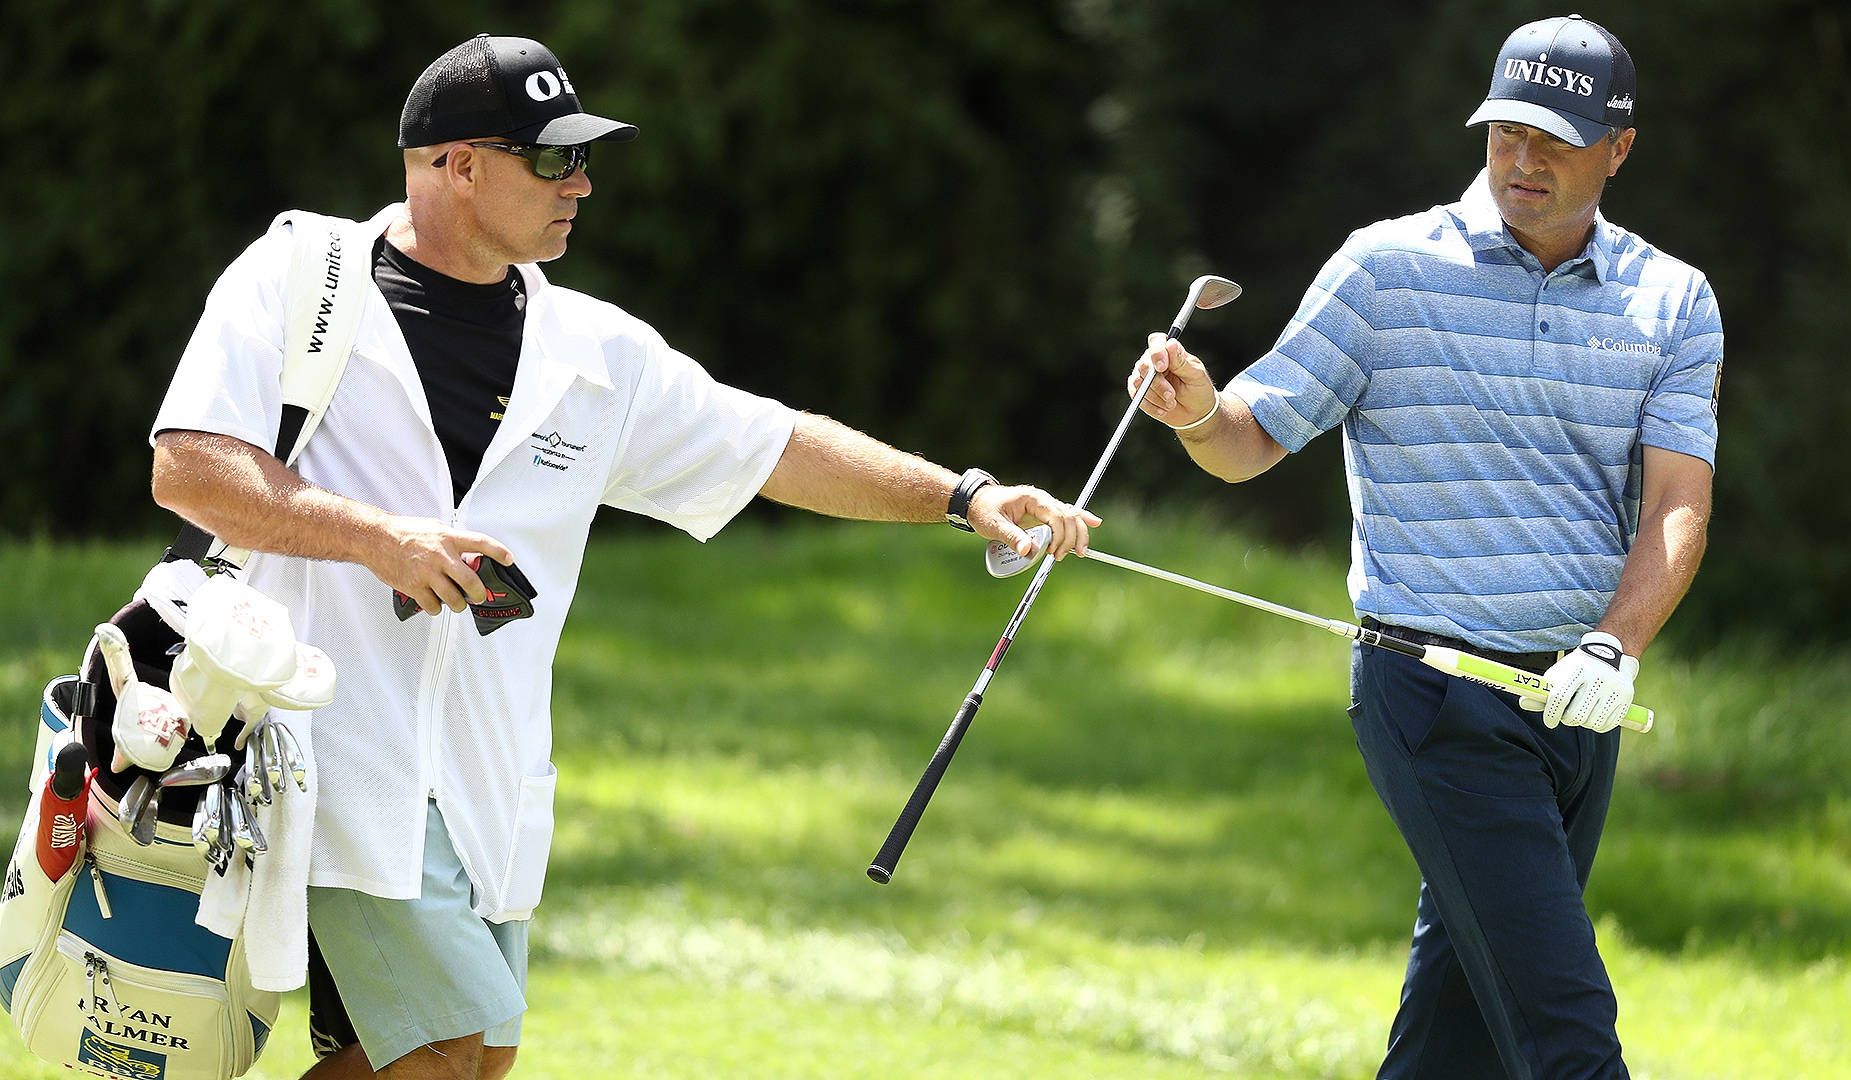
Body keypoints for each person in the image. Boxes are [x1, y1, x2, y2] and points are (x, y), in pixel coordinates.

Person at [147, 33, 1099, 1080]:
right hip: (327, 752)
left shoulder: (598, 355)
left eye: (584, 160)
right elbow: (191, 469)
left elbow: (774, 444)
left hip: (488, 779)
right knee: (443, 1054)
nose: (584, 185)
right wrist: (379, 539)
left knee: (471, 1058)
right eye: (554, 160)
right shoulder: (298, 276)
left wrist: (963, 496)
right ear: (458, 165)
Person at [1128, 15, 1718, 1079]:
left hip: (1578, 705)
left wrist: (1614, 646)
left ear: (1619, 148)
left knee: (1456, 1044)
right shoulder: (1386, 270)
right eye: (1506, 134)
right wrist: (1199, 413)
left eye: (1557, 139)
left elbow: (1679, 503)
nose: (1524, 161)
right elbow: (1250, 439)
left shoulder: (1672, 301)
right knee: (1568, 1034)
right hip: (1436, 701)